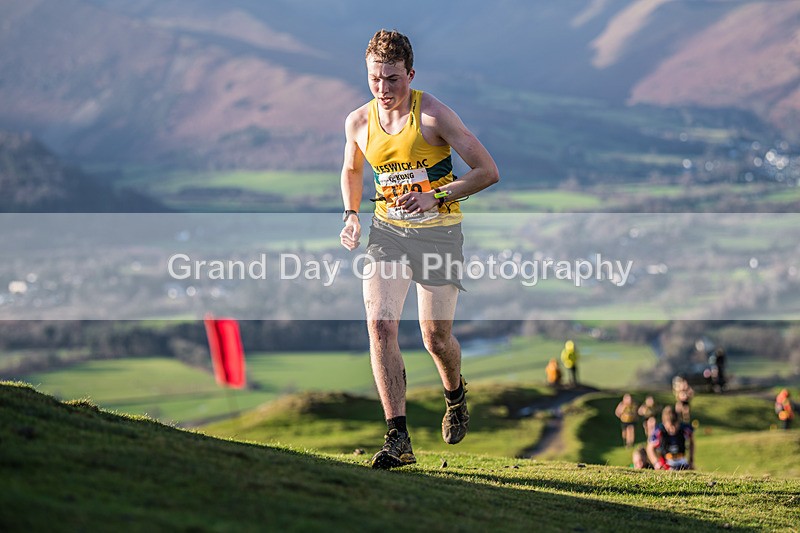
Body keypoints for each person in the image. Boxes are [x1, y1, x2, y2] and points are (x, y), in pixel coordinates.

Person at [339, 29, 499, 469]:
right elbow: (352, 169)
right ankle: (398, 438)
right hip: (387, 232)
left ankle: (455, 394)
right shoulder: (358, 121)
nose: (383, 89)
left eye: (393, 79)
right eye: (375, 79)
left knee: (435, 337)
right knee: (381, 325)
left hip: (438, 234)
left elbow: (487, 171)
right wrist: (351, 214)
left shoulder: (433, 115)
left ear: (410, 74)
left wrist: (438, 195)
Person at [647, 405, 695, 471]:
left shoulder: (684, 429)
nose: (673, 429)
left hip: (681, 461)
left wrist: (691, 459)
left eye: (675, 426)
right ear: (664, 423)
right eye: (669, 427)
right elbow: (650, 448)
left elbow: (691, 442)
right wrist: (656, 463)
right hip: (666, 463)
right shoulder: (659, 431)